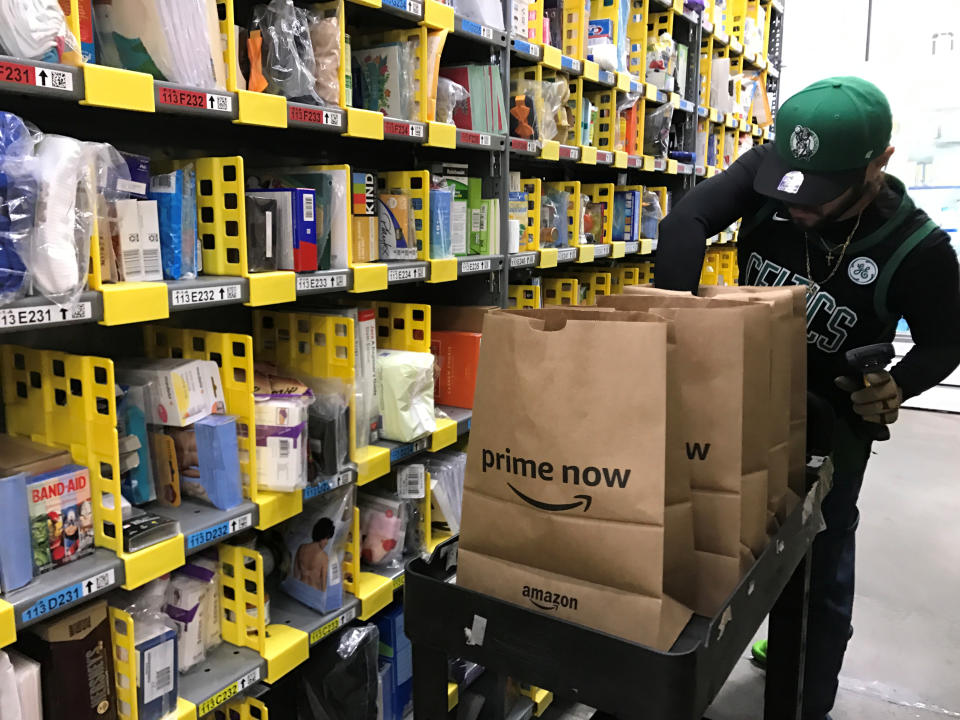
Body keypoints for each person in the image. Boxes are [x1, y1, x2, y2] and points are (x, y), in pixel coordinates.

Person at [656, 77, 960, 720]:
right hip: (735, 408)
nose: (797, 208)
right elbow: (685, 222)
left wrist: (898, 386)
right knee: (711, 540)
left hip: (829, 434)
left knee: (815, 575)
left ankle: (802, 700)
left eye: (819, 199)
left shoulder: (920, 249)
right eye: (789, 191)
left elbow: (945, 342)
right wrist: (668, 325)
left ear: (878, 165)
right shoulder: (769, 170)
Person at [294, 516, 336, 591]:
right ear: (322, 535)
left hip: (300, 590)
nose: (327, 542)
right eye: (326, 538)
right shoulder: (324, 557)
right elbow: (323, 585)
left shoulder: (301, 548)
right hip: (313, 593)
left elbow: (295, 574)